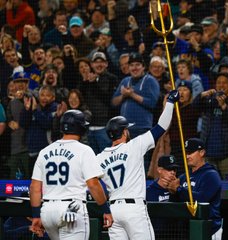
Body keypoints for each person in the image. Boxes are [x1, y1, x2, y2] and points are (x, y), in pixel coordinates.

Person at [96, 90, 179, 239]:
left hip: (113, 209)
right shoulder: (134, 145)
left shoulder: (99, 158)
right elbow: (162, 126)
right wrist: (170, 103)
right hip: (134, 209)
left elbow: (89, 182)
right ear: (124, 132)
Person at [29, 110, 113, 239]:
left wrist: (36, 215)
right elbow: (93, 184)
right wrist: (105, 210)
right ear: (81, 128)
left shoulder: (45, 151)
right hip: (71, 210)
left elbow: (35, 187)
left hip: (47, 211)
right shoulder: (84, 150)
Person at [168, 137, 222, 239]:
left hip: (208, 230)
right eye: (186, 153)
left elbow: (202, 199)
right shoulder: (184, 177)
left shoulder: (211, 175)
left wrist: (178, 189)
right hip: (187, 230)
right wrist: (172, 191)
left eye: (191, 152)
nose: (187, 156)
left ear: (202, 152)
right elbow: (176, 203)